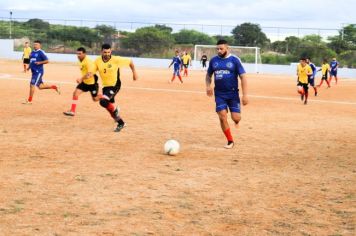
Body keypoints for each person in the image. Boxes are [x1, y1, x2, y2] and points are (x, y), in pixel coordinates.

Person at [206, 39, 248, 149]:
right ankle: (230, 141)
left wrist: (245, 95)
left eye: (221, 49)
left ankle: (236, 121)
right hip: (219, 94)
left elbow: (243, 77)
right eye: (217, 49)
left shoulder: (235, 60)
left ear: (227, 48)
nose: (219, 51)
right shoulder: (213, 61)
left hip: (233, 94)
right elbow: (208, 75)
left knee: (236, 118)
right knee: (222, 116)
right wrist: (208, 86)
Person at [94, 43, 138, 132]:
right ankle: (116, 111)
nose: (106, 54)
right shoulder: (97, 61)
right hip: (106, 86)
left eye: (108, 52)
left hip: (115, 85)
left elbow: (130, 62)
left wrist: (134, 73)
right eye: (105, 52)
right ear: (101, 52)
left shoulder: (116, 59)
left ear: (111, 51)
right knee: (108, 106)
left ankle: (121, 123)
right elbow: (92, 72)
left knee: (103, 101)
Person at [63, 47, 101, 116]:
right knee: (75, 93)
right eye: (77, 54)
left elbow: (89, 74)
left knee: (95, 99)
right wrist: (83, 79)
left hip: (92, 83)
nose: (78, 55)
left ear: (84, 54)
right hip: (85, 82)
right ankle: (72, 111)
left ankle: (106, 96)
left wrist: (81, 79)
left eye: (80, 54)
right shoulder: (81, 60)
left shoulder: (88, 62)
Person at [23, 40, 60, 104]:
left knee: (32, 85)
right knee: (40, 87)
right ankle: (54, 87)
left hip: (38, 72)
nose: (35, 46)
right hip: (33, 71)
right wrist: (29, 67)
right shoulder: (32, 52)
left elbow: (47, 61)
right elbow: (31, 61)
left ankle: (29, 100)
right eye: (34, 44)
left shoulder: (41, 52)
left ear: (40, 45)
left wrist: (40, 62)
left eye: (36, 44)